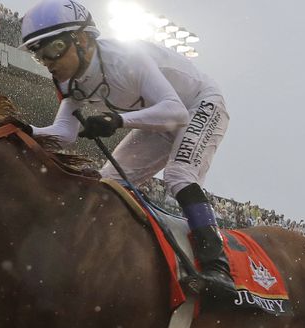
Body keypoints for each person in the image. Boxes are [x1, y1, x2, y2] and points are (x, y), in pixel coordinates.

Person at [21, 0, 234, 296]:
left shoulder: (126, 57)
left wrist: (117, 120)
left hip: (197, 103)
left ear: (82, 39)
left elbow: (176, 113)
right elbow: (63, 134)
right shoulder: (69, 83)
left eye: (54, 49)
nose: (49, 62)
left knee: (179, 174)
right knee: (109, 185)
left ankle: (218, 266)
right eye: (39, 55)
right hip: (158, 115)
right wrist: (25, 131)